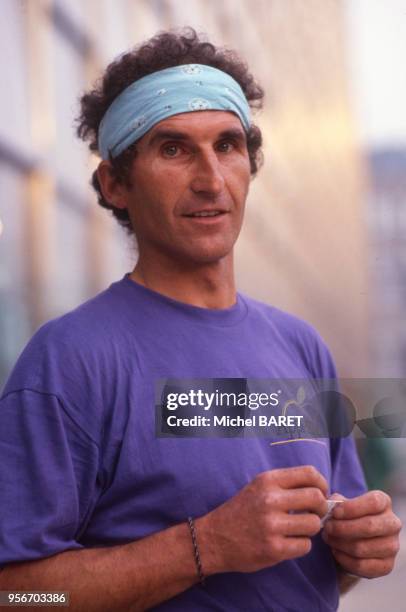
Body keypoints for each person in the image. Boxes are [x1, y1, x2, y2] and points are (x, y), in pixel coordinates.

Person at [0, 28, 401, 612]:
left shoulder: (301, 346)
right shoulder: (70, 361)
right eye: (173, 149)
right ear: (115, 184)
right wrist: (206, 546)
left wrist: (354, 549)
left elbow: (313, 568)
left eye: (228, 145)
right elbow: (23, 594)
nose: (211, 180)